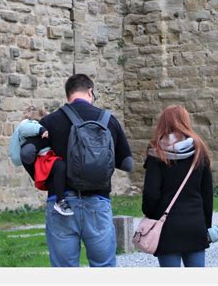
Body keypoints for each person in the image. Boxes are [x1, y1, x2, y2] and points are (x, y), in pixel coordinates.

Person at [20, 73, 134, 267]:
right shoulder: (108, 120)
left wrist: (46, 179)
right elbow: (127, 163)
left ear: (68, 96)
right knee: (103, 267)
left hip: (61, 202)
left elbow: (27, 155)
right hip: (98, 202)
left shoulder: (51, 121)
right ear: (90, 92)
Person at [142, 105, 213, 267]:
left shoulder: (157, 153)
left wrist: (151, 215)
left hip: (167, 227)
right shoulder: (199, 151)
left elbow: (151, 194)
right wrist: (205, 225)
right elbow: (207, 194)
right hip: (194, 224)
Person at [9, 106, 73, 216]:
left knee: (59, 168)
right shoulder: (27, 124)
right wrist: (41, 129)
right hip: (43, 159)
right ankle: (60, 201)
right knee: (60, 167)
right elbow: (26, 128)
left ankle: (60, 200)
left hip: (45, 157)